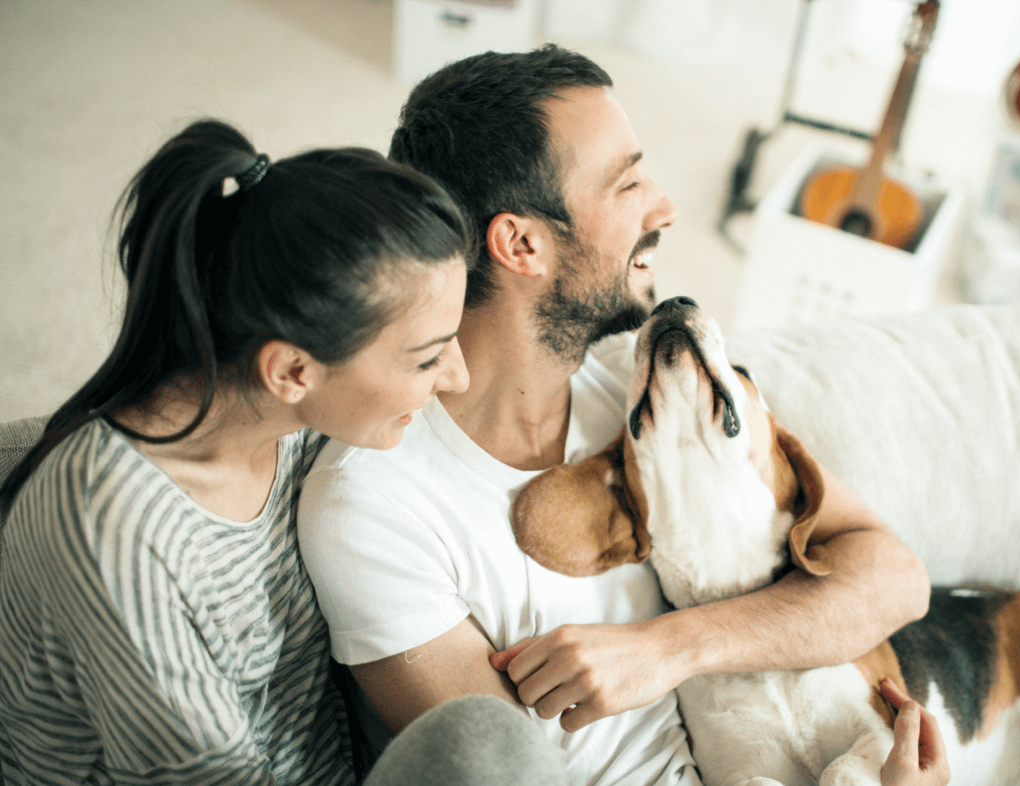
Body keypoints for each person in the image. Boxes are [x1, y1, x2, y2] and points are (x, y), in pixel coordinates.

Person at [297, 46, 943, 785]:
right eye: (628, 183)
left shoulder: (636, 387)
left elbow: (895, 577)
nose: (664, 207)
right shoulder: (371, 505)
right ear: (521, 243)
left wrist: (670, 647)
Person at [0, 119, 561, 785]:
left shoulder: (293, 418)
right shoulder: (115, 527)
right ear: (292, 372)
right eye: (426, 358)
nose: (456, 377)